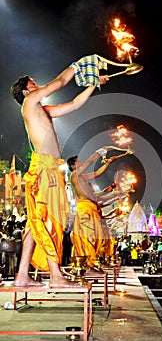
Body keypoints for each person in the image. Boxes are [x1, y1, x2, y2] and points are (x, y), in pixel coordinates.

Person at [10, 56, 109, 287]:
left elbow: (74, 104)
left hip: (49, 168)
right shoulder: (30, 102)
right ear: (26, 92)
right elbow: (61, 80)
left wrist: (94, 83)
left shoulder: (41, 109)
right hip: (45, 168)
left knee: (36, 222)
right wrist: (77, 66)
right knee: (51, 218)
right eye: (33, 84)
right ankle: (56, 277)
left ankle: (22, 275)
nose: (37, 86)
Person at [67, 147, 131, 273]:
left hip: (91, 208)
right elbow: (89, 162)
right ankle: (87, 264)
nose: (81, 163)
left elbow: (97, 173)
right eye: (78, 161)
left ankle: (92, 262)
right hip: (84, 208)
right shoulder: (75, 175)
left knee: (99, 238)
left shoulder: (83, 177)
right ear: (73, 165)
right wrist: (99, 152)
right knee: (89, 237)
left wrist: (108, 162)